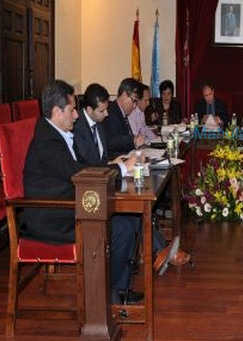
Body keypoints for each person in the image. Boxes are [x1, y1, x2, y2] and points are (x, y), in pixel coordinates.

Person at [23, 80, 142, 305]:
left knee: (129, 219)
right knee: (122, 228)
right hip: (52, 216)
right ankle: (106, 296)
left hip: (68, 204)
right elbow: (79, 174)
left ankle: (118, 288)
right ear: (57, 112)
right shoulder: (48, 142)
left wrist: (112, 164)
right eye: (72, 110)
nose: (77, 116)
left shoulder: (56, 133)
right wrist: (121, 169)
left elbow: (82, 166)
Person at [74, 83, 189, 273]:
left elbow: (102, 155)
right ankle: (158, 250)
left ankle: (157, 251)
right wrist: (119, 165)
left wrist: (115, 161)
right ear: (89, 109)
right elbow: (89, 167)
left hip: (105, 177)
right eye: (102, 110)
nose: (107, 114)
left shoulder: (97, 122)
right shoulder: (80, 128)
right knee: (132, 213)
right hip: (92, 191)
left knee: (136, 210)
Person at [102, 78, 146, 159]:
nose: (135, 106)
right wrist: (133, 141)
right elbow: (110, 142)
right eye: (134, 101)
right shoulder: (110, 112)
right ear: (124, 95)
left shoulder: (121, 112)